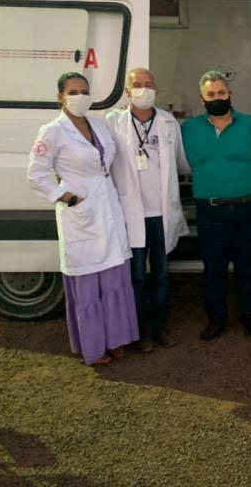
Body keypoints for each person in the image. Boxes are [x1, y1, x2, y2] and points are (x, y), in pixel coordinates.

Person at [27, 72, 138, 366]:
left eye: (84, 91)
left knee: (114, 275)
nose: (80, 97)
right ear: (60, 97)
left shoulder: (100, 125)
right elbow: (36, 175)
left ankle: (117, 338)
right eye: (73, 92)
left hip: (107, 205)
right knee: (88, 280)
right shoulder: (52, 131)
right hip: (80, 209)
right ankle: (93, 346)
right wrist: (67, 197)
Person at [182, 71, 251, 343]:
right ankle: (216, 320)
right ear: (202, 98)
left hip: (249, 210)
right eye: (211, 94)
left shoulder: (250, 125)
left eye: (221, 93)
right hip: (211, 212)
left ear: (230, 95)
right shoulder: (188, 129)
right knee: (214, 271)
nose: (217, 98)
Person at [106, 68, 189, 353]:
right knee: (137, 276)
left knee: (162, 275)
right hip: (132, 213)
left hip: (161, 212)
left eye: (149, 85)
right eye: (137, 85)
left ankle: (159, 328)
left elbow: (180, 162)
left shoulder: (168, 123)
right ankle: (138, 331)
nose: (144, 90)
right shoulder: (112, 122)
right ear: (127, 92)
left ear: (157, 88)